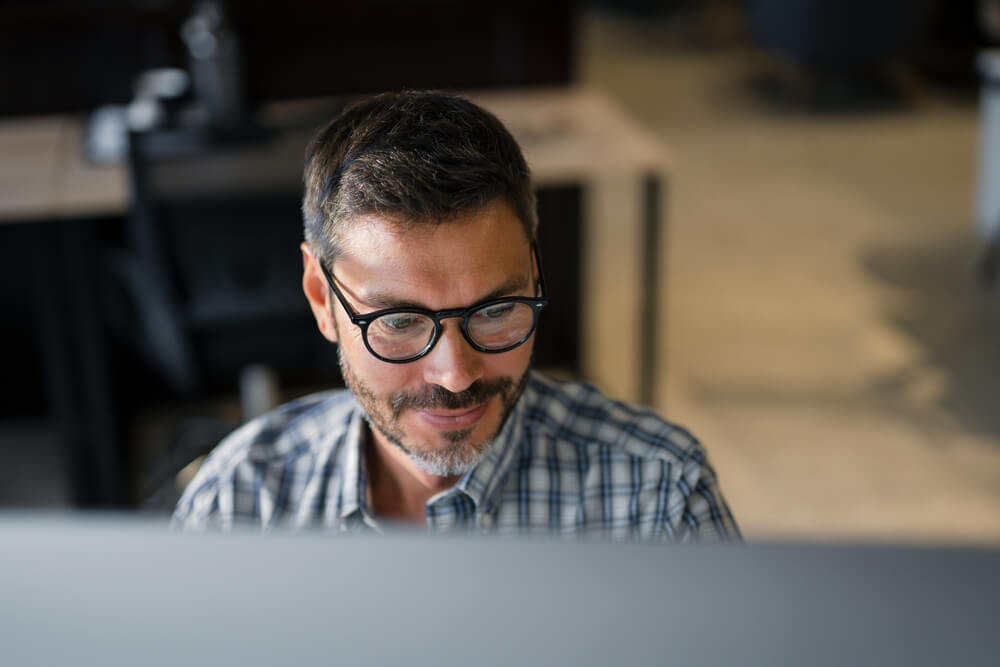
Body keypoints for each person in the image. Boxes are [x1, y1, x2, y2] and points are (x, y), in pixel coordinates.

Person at [172, 91, 739, 540]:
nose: (457, 375)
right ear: (322, 298)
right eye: (398, 322)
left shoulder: (661, 500)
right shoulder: (238, 506)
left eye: (494, 310)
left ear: (535, 278)